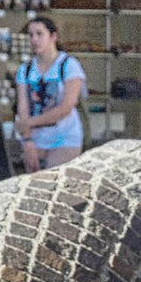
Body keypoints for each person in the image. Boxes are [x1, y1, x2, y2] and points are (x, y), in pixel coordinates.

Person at [15, 16, 87, 173]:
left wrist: (29, 123)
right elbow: (23, 108)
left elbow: (66, 107)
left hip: (65, 137)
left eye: (39, 34)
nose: (34, 40)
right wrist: (27, 141)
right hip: (36, 139)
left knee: (56, 178)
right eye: (31, 35)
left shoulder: (69, 66)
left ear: (53, 37)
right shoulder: (25, 70)